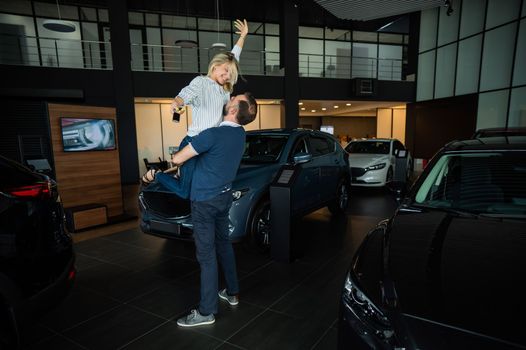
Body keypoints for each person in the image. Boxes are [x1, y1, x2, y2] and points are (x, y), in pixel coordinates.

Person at [172, 92, 258, 327]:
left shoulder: (213, 135)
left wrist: (178, 155)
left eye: (232, 99)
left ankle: (206, 311)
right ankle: (232, 292)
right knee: (224, 245)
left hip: (204, 202)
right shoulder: (240, 134)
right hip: (223, 198)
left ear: (233, 110)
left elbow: (178, 158)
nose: (227, 99)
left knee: (207, 256)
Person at [149, 19, 249, 198]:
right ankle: (157, 174)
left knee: (202, 184)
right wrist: (177, 102)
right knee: (184, 191)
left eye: (230, 74)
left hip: (210, 145)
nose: (226, 76)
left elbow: (235, 57)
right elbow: (186, 93)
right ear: (215, 65)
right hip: (193, 142)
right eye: (225, 71)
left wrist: (243, 37)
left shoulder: (226, 89)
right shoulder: (200, 82)